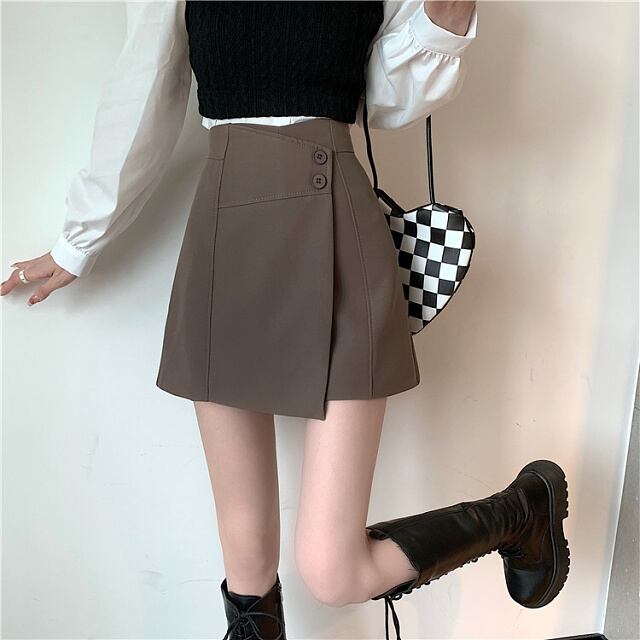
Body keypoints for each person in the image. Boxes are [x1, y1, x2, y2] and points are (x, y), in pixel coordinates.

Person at [1, 2, 571, 639]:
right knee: (246, 566)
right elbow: (146, 83)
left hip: (338, 230)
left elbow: (386, 101)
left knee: (332, 570)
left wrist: (446, 13)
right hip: (227, 237)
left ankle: (521, 512)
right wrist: (78, 242)